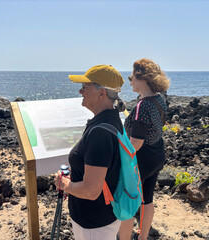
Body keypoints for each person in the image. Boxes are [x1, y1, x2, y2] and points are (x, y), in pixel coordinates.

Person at [54, 65, 126, 240]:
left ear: (102, 93)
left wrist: (63, 183)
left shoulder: (100, 133)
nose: (81, 91)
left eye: (85, 87)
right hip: (103, 216)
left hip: (94, 221)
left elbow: (91, 191)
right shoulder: (112, 120)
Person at [118, 58, 170, 240]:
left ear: (142, 79)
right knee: (147, 199)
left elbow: (136, 143)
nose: (129, 81)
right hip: (156, 154)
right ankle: (143, 236)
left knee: (129, 201)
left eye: (131, 77)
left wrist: (118, 159)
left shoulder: (142, 106)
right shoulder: (159, 99)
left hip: (141, 160)